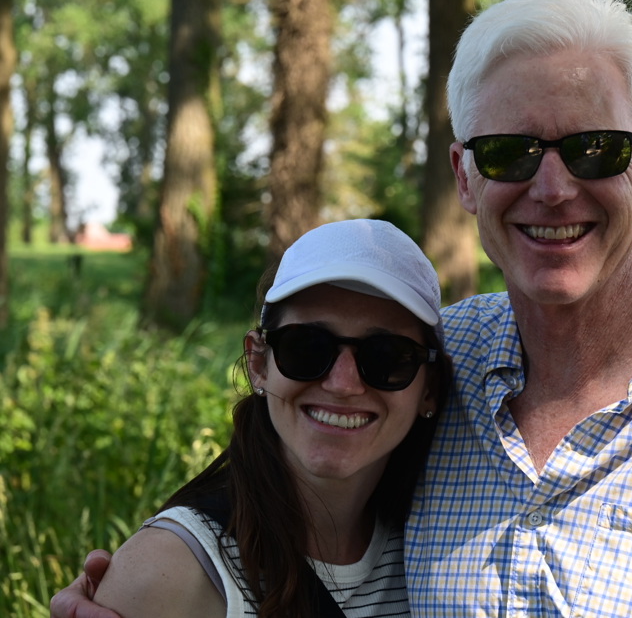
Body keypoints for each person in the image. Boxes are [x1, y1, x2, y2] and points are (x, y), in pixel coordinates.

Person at [53, 0, 632, 617]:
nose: (552, 187)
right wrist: (141, 583)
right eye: (508, 152)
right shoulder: (423, 362)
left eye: (596, 149)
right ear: (464, 176)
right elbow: (279, 483)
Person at [57, 219, 450, 618]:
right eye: (306, 347)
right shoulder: (171, 574)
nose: (343, 384)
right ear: (259, 364)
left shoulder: (449, 559)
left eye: (387, 356)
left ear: (429, 389)